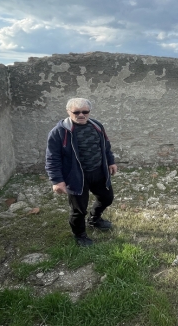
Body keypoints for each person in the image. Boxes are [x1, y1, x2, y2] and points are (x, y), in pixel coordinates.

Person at [45, 98, 117, 246]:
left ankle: (94, 220)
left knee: (107, 198)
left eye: (85, 112)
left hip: (98, 172)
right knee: (78, 210)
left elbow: (106, 146)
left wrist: (111, 161)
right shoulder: (59, 132)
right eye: (76, 112)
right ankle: (80, 235)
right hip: (76, 177)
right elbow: (52, 158)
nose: (81, 115)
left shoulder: (97, 126)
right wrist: (57, 181)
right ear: (68, 112)